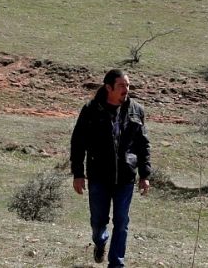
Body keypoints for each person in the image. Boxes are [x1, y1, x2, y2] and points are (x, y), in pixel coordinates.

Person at [70, 68, 151, 266]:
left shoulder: (136, 110)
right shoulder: (91, 110)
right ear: (109, 87)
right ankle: (100, 241)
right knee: (98, 222)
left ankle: (116, 263)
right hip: (99, 175)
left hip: (125, 176)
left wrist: (145, 174)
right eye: (122, 86)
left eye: (128, 85)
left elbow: (143, 144)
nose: (126, 90)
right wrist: (78, 174)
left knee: (122, 222)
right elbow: (78, 142)